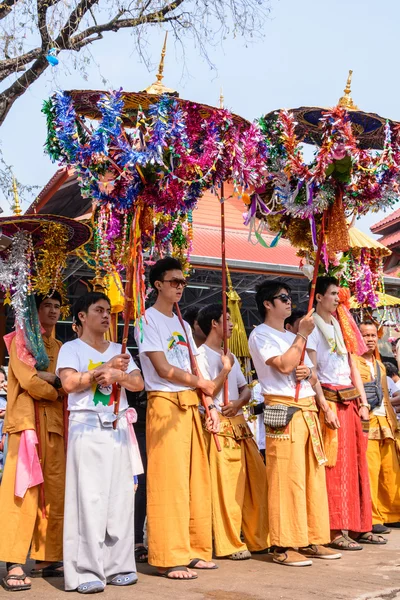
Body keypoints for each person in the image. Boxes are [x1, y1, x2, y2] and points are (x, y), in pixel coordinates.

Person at [135, 257, 219, 581]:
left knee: (195, 482)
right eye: (174, 281)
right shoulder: (147, 321)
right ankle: (168, 555)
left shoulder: (184, 325)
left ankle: (194, 549)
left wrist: (210, 406)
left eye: (183, 282)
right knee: (168, 484)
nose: (180, 286)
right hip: (166, 404)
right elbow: (162, 368)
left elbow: (199, 371)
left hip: (192, 406)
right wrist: (201, 385)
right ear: (158, 284)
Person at [57, 292, 144, 594]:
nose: (107, 315)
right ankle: (85, 571)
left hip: (119, 427)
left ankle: (119, 565)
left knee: (120, 500)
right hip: (87, 428)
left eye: (108, 310)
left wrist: (118, 372)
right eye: (99, 310)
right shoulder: (71, 348)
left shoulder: (121, 350)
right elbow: (68, 383)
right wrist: (100, 370)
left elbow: (138, 382)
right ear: (81, 316)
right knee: (89, 501)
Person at [248, 280, 338, 567]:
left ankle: (312, 538)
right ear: (267, 304)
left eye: (289, 297)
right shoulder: (260, 335)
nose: (289, 302)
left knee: (311, 477)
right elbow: (284, 366)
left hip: (307, 408)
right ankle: (284, 543)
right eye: (283, 298)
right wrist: (300, 337)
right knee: (286, 478)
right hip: (283, 409)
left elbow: (311, 374)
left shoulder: (290, 335)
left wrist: (306, 371)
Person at [306, 276, 382, 551]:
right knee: (335, 468)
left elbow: (352, 364)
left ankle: (361, 525)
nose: (338, 298)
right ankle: (334, 530)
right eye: (333, 293)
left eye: (339, 293)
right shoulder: (311, 326)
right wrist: (323, 406)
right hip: (328, 399)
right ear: (318, 297)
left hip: (350, 400)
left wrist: (363, 400)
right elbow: (312, 372)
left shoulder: (340, 324)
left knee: (358, 464)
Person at [0, 293, 65, 592]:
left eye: (56, 306)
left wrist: (50, 380)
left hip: (54, 427)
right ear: (34, 310)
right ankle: (13, 561)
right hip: (26, 424)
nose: (52, 311)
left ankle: (47, 556)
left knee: (54, 492)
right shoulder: (21, 341)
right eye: (46, 306)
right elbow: (28, 382)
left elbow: (64, 382)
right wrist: (53, 385)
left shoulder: (62, 347)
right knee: (21, 491)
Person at [196, 303, 269, 560]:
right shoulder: (199, 356)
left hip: (240, 424)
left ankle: (258, 538)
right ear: (214, 324)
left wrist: (238, 402)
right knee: (227, 488)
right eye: (226, 320)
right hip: (219, 426)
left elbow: (245, 388)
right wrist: (224, 369)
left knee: (258, 482)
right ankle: (229, 543)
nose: (231, 325)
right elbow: (206, 392)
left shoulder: (231, 355)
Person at [353, 322, 400, 532]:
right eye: (365, 335)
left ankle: (391, 513)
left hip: (386, 422)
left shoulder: (381, 365)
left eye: (373, 335)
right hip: (367, 422)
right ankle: (372, 518)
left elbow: (387, 399)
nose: (370, 339)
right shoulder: (353, 362)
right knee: (371, 471)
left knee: (390, 470)